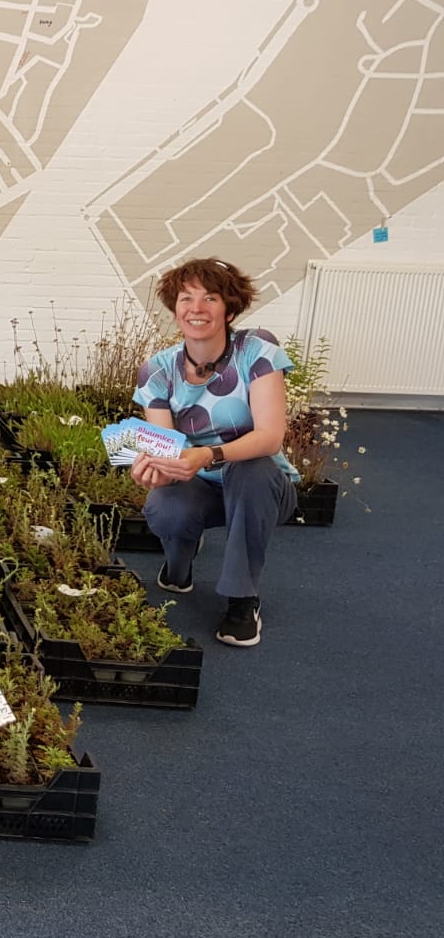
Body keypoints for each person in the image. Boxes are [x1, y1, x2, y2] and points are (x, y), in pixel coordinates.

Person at [130, 258, 300, 648]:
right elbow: (165, 446)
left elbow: (270, 437)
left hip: (263, 487)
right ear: (175, 310)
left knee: (252, 469)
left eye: (210, 297)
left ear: (230, 308)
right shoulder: (157, 370)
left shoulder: (258, 354)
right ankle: (179, 561)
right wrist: (151, 468)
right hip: (198, 483)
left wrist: (208, 455)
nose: (196, 308)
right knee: (164, 507)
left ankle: (242, 599)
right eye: (186, 298)